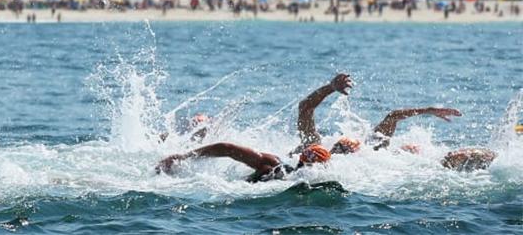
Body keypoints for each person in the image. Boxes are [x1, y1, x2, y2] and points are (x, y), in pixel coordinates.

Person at [295, 73, 460, 155]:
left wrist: (331, 88)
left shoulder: (313, 148)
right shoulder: (371, 151)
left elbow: (304, 108)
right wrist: (429, 110)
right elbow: (393, 116)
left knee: (407, 149)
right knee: (407, 149)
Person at [156, 142, 331, 182]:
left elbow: (226, 148)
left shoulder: (273, 164)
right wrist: (184, 158)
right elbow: (226, 148)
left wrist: (185, 157)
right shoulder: (274, 166)